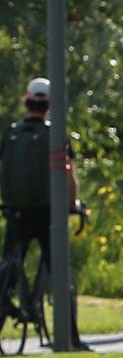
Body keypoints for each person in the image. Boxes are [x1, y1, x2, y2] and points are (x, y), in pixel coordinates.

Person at [1, 77, 80, 299]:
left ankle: (6, 292)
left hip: (16, 211)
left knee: (10, 260)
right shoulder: (55, 134)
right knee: (58, 266)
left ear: (27, 100)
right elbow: (68, 172)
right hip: (47, 213)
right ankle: (65, 309)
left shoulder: (11, 133)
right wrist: (73, 203)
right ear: (50, 104)